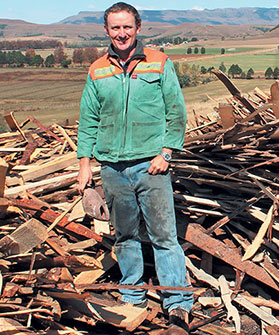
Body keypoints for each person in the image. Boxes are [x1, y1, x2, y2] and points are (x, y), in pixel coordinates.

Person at [76, 2, 192, 334]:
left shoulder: (158, 63)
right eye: (115, 28)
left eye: (127, 27)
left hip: (150, 166)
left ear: (138, 28)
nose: (122, 33)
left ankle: (178, 304)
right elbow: (89, 121)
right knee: (125, 235)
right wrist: (85, 165)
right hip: (112, 168)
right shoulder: (98, 70)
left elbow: (176, 112)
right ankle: (132, 297)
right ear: (106, 31)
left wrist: (166, 153)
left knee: (164, 236)